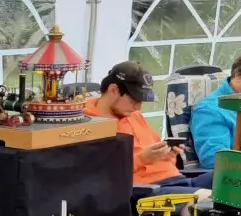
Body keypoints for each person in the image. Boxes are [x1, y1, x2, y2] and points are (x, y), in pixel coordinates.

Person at [88, 61, 213, 193]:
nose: (138, 107)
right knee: (211, 198)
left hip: (177, 180)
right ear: (113, 90)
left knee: (227, 176)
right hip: (147, 190)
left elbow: (161, 160)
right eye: (134, 100)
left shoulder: (134, 115)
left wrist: (167, 155)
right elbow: (99, 176)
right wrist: (142, 159)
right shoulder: (87, 125)